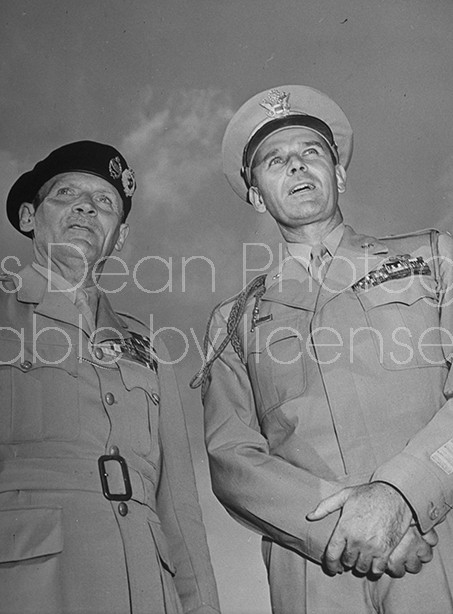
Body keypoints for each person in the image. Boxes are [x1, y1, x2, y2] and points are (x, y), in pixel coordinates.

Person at [194, 85, 453, 613]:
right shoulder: (233, 320)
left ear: (337, 173)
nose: (296, 166)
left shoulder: (433, 258)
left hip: (439, 536)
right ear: (256, 195)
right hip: (316, 565)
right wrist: (348, 527)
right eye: (275, 160)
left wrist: (403, 494)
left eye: (311, 152)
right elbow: (233, 460)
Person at [0, 140, 220, 614]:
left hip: (144, 588)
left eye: (104, 203)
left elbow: (179, 507)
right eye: (66, 194)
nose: (85, 207)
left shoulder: (149, 348)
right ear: (27, 217)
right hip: (28, 581)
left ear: (118, 238)